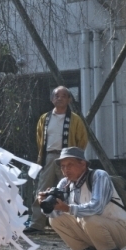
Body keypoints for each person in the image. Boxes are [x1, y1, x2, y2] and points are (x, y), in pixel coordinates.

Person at [40, 147, 126, 250]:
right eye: (63, 166)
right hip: (93, 230)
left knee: (89, 218)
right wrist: (46, 204)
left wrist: (67, 208)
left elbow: (96, 207)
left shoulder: (99, 176)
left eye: (70, 164)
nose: (66, 169)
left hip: (121, 229)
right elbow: (57, 212)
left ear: (83, 164)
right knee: (55, 219)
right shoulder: (64, 183)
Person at [26, 86, 88, 235]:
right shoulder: (44, 118)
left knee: (70, 189)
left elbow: (82, 139)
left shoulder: (75, 119)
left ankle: (72, 224)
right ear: (52, 99)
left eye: (64, 95)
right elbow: (40, 138)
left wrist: (74, 158)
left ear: (69, 99)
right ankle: (37, 223)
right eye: (57, 95)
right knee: (42, 189)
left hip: (67, 158)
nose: (59, 98)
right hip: (50, 156)